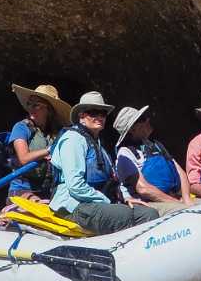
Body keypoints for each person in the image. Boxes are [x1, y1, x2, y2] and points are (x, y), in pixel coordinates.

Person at [48, 92, 158, 234]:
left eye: (103, 113)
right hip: (73, 206)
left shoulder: (98, 144)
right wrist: (107, 201)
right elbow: (75, 186)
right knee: (123, 214)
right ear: (81, 116)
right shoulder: (73, 139)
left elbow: (113, 179)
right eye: (93, 113)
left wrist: (126, 198)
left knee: (149, 214)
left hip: (96, 204)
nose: (99, 117)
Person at [112, 104, 190, 207]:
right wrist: (177, 203)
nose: (147, 120)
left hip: (176, 198)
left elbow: (180, 172)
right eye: (142, 119)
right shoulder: (125, 154)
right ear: (132, 129)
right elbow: (143, 189)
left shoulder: (156, 145)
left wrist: (187, 199)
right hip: (151, 204)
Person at [7, 81, 69, 193]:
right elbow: (23, 158)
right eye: (29, 104)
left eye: (36, 105)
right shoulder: (21, 127)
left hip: (48, 189)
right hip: (22, 189)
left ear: (48, 110)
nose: (31, 108)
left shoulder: (58, 132)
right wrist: (49, 150)